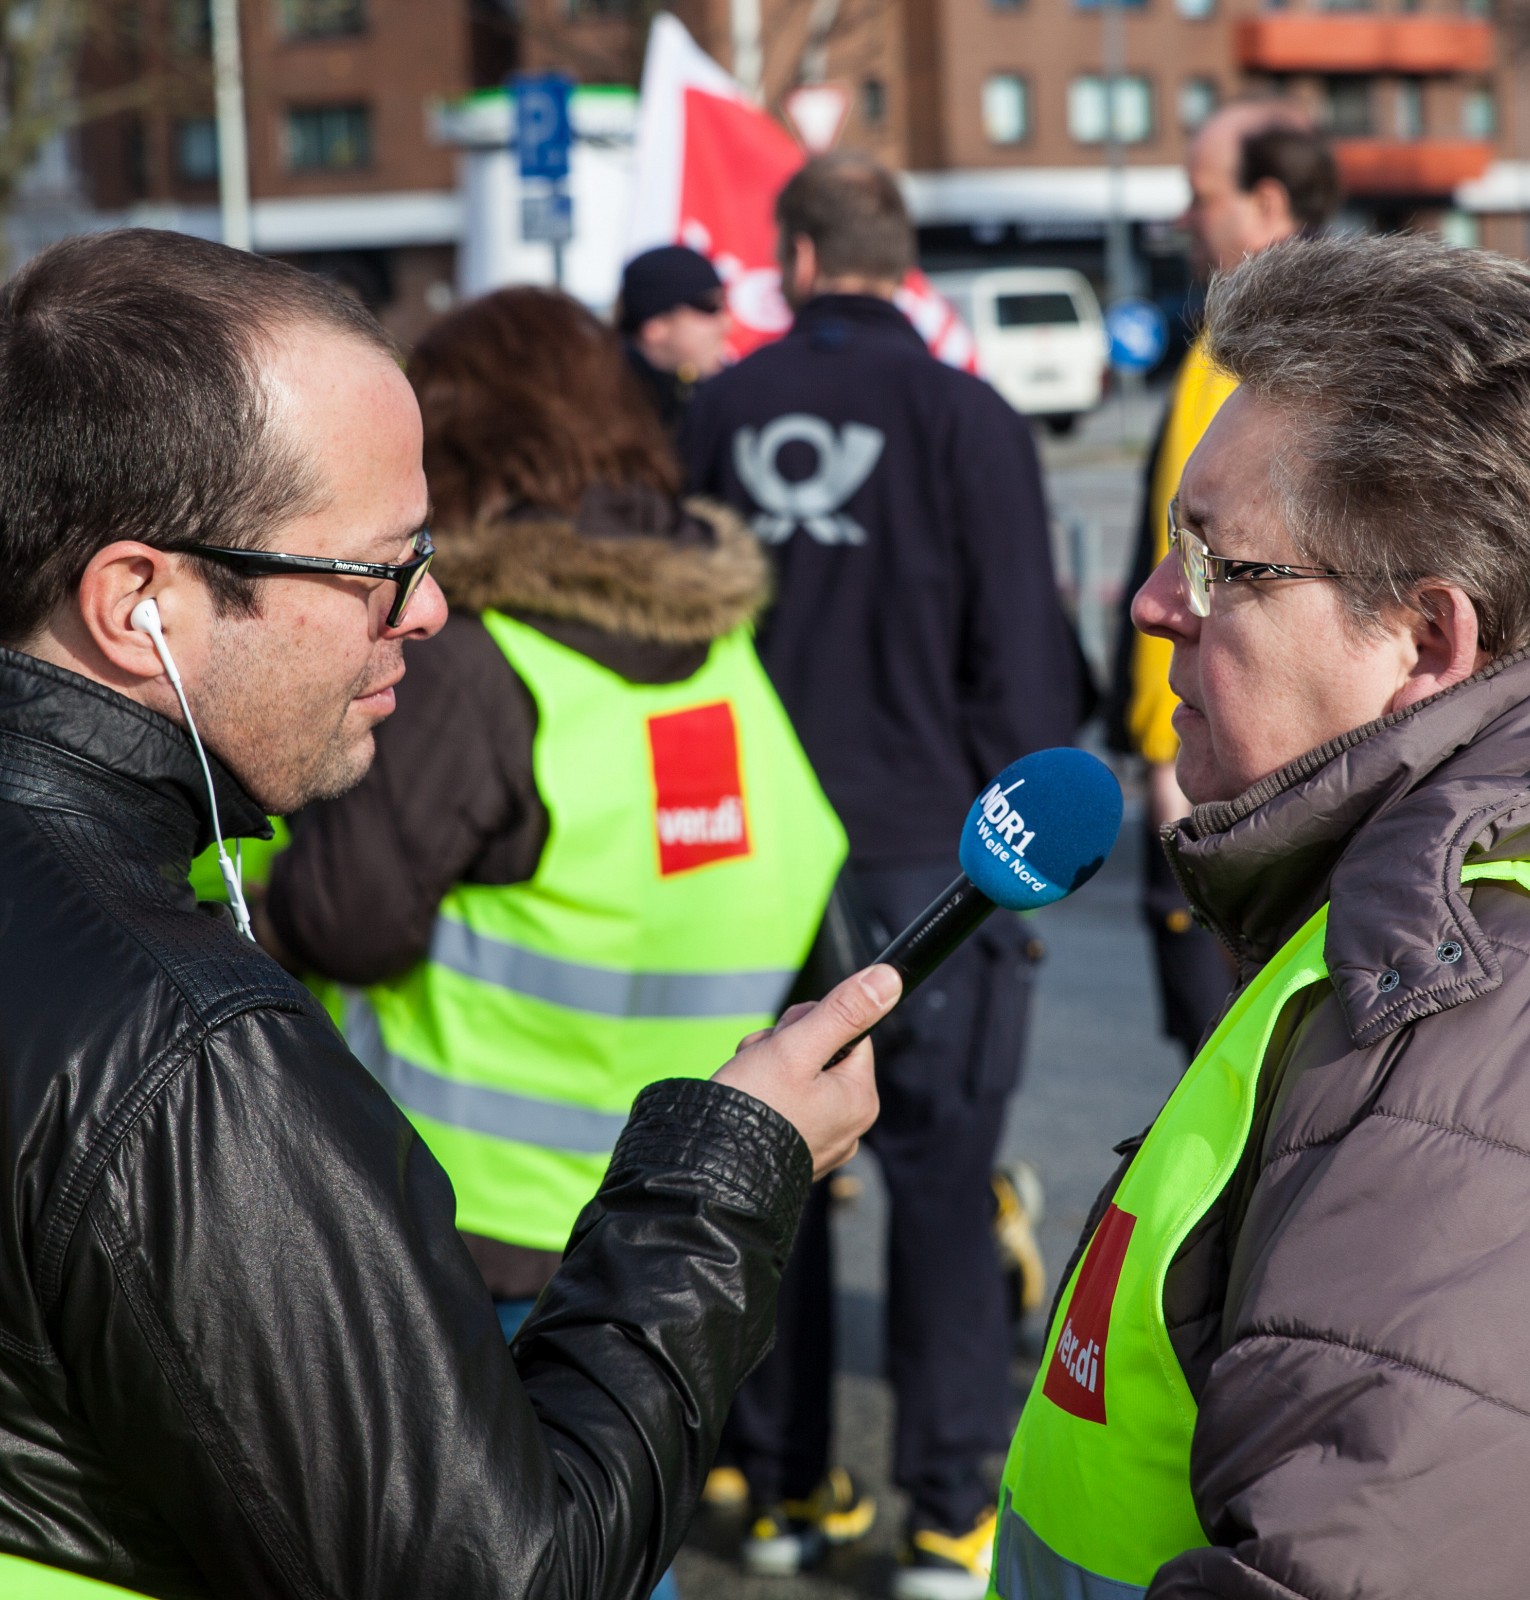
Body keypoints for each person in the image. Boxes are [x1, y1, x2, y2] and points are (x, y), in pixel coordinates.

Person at [0, 227, 898, 1599]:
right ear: (140, 600)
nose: (426, 609)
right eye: (374, 570)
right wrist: (725, 1176)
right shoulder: (186, 1059)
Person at [995, 233, 1530, 1598]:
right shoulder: (1442, 921)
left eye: (1219, 568)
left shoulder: (1465, 1019)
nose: (1153, 608)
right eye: (1167, 550)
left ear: (1427, 645)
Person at [260, 284, 846, 1347]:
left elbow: (347, 921)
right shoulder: (719, 656)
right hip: (681, 1215)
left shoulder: (478, 660)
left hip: (476, 1226)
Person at [681, 153, 1093, 1598]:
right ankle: (945, 1519)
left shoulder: (717, 414)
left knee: (763, 1168)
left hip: (750, 856)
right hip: (940, 859)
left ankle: (785, 1493)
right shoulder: (971, 420)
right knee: (938, 1179)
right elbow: (1030, 680)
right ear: (898, 260)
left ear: (795, 258)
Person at [1106, 103, 1341, 1058]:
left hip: (1228, 770)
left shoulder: (1268, 353)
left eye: (1202, 195)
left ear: (1267, 201)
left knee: (1229, 1060)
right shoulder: (1263, 339)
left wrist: (1171, 758)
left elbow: (1225, 573)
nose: (1184, 217)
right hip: (1222, 753)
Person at [618, 244, 732, 431]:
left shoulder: (727, 397)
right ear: (655, 326)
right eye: (710, 307)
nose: (726, 324)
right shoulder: (602, 410)